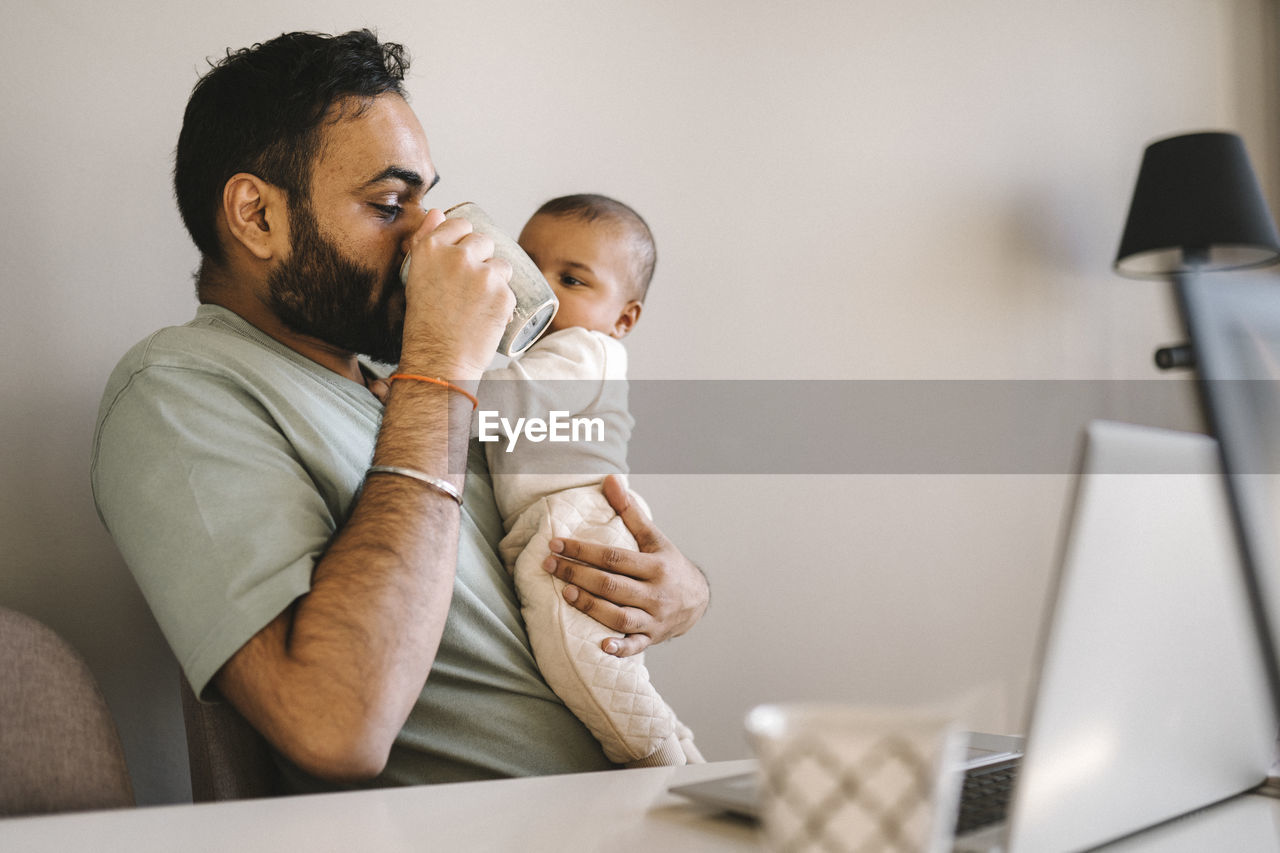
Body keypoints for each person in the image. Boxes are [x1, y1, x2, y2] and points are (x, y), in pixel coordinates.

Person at [89, 30, 708, 791]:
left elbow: (572, 499)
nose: (429, 234)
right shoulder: (179, 391)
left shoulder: (405, 373)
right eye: (389, 205)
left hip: (629, 804)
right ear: (256, 217)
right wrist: (440, 372)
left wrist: (680, 589)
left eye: (424, 200)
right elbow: (334, 724)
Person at [478, 195, 702, 766]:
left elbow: (500, 402)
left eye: (573, 281)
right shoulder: (558, 354)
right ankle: (683, 750)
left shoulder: (586, 352)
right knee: (603, 666)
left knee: (579, 658)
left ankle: (657, 763)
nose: (545, 295)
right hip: (564, 517)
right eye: (530, 270)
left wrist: (413, 389)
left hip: (573, 520)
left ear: (623, 319)